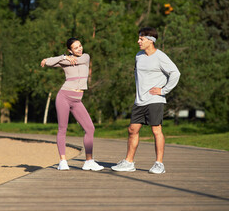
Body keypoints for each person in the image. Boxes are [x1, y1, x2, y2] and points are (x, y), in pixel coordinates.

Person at [111, 27, 180, 174]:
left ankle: (159, 164)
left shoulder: (160, 56)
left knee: (156, 130)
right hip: (140, 100)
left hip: (155, 99)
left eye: (141, 39)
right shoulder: (139, 56)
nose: (138, 41)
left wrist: (164, 90)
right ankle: (129, 162)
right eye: (139, 38)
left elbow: (175, 73)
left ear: (151, 40)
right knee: (132, 130)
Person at [40, 37, 104, 171]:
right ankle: (62, 161)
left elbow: (76, 60)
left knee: (90, 128)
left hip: (77, 100)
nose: (80, 48)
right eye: (76, 48)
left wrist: (63, 59)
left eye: (80, 45)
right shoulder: (65, 59)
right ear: (70, 50)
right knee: (62, 129)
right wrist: (63, 57)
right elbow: (49, 63)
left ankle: (89, 161)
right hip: (64, 96)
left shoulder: (85, 57)